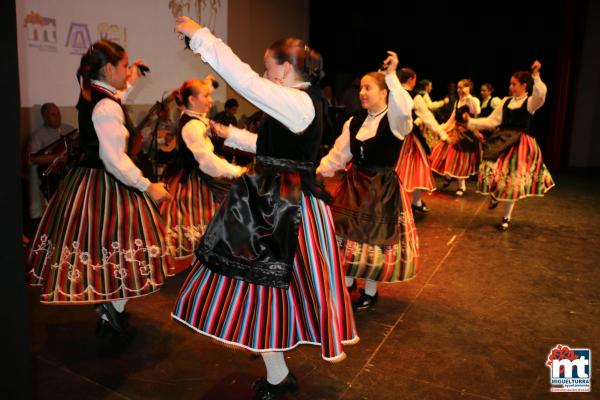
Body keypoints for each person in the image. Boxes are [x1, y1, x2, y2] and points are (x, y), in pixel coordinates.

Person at [173, 16, 358, 399]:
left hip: (286, 207)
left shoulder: (299, 101)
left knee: (271, 288)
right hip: (276, 199)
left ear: (285, 68)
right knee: (264, 289)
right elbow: (274, 148)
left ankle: (278, 375)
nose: (263, 73)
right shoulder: (296, 103)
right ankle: (277, 374)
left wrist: (202, 38)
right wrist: (231, 135)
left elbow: (246, 81)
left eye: (268, 66)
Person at [28, 39, 173, 344]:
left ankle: (111, 314)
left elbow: (114, 99)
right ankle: (111, 315)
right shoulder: (106, 105)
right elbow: (115, 159)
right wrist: (149, 187)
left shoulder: (93, 93)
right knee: (120, 251)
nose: (126, 71)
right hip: (108, 184)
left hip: (87, 182)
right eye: (123, 66)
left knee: (107, 252)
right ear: (109, 68)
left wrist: (130, 79)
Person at [317, 52, 419, 312]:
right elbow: (340, 154)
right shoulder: (355, 121)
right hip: (355, 184)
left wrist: (392, 76)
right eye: (361, 87)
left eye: (368, 87)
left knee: (374, 239)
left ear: (384, 92)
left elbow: (405, 109)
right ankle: (349, 281)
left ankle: (370, 291)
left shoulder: (395, 122)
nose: (362, 92)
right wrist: (320, 171)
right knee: (348, 233)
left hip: (381, 188)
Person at [160, 78, 245, 266]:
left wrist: (207, 83)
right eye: (205, 96)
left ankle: (202, 260)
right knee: (195, 218)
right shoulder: (193, 126)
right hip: (193, 180)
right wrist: (235, 170)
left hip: (191, 175)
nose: (210, 100)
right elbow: (207, 161)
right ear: (192, 100)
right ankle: (200, 262)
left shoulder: (195, 119)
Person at [465, 60, 555, 230]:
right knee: (490, 169)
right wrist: (471, 123)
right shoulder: (506, 101)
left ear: (524, 85)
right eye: (510, 84)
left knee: (512, 180)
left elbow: (541, 94)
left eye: (514, 84)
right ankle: (495, 195)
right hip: (501, 140)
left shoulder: (530, 102)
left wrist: (536, 75)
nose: (511, 87)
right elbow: (492, 121)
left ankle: (506, 217)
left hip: (518, 144)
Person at [396, 68, 448, 213]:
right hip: (407, 137)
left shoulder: (392, 93)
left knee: (396, 168)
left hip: (392, 135)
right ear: (411, 79)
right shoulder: (414, 96)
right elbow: (428, 117)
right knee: (416, 167)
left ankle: (410, 202)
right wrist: (442, 133)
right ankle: (412, 202)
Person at [429, 78, 482, 196]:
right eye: (458, 87)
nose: (459, 90)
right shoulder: (457, 101)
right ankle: (449, 176)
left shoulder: (473, 100)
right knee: (444, 149)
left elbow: (476, 111)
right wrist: (441, 128)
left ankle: (461, 186)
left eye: (462, 87)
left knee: (460, 159)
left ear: (469, 88)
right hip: (456, 130)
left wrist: (469, 97)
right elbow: (452, 118)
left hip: (467, 132)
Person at [28, 103, 76, 224]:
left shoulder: (69, 129)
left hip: (72, 171)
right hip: (53, 176)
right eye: (53, 114)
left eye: (58, 113)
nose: (58, 117)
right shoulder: (38, 136)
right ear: (45, 117)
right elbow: (32, 159)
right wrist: (55, 157)